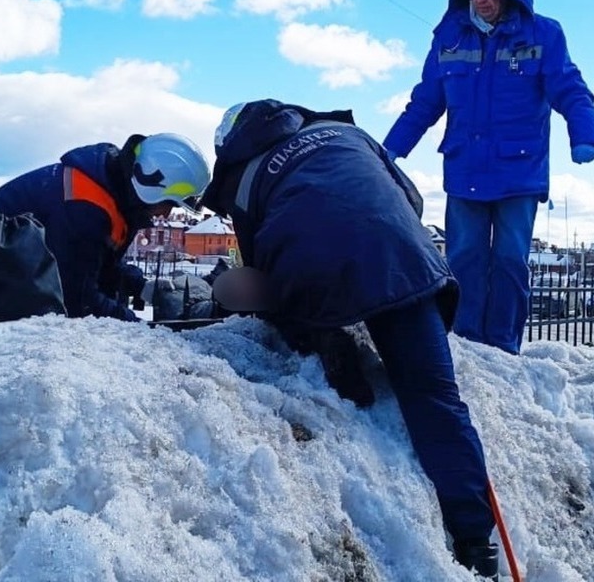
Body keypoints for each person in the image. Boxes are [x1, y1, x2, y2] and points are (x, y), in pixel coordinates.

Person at [200, 99, 500, 579]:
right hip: (404, 263)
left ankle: (331, 347)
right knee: (436, 400)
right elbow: (411, 200)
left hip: (316, 277)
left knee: (263, 291)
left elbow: (259, 269)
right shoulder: (352, 138)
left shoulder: (249, 179)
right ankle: (476, 544)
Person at [384, 0, 594, 354]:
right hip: (465, 168)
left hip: (519, 172)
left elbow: (570, 89)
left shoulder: (543, 35)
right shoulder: (449, 38)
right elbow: (426, 101)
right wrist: (391, 149)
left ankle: (502, 347)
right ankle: (465, 345)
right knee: (464, 258)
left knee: (509, 260)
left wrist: (584, 135)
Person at [0, 134, 211, 326]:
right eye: (168, 204)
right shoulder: (85, 206)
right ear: (151, 187)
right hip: (7, 274)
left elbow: (95, 263)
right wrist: (138, 328)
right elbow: (79, 298)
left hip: (15, 267)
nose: (166, 215)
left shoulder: (114, 192)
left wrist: (139, 285)